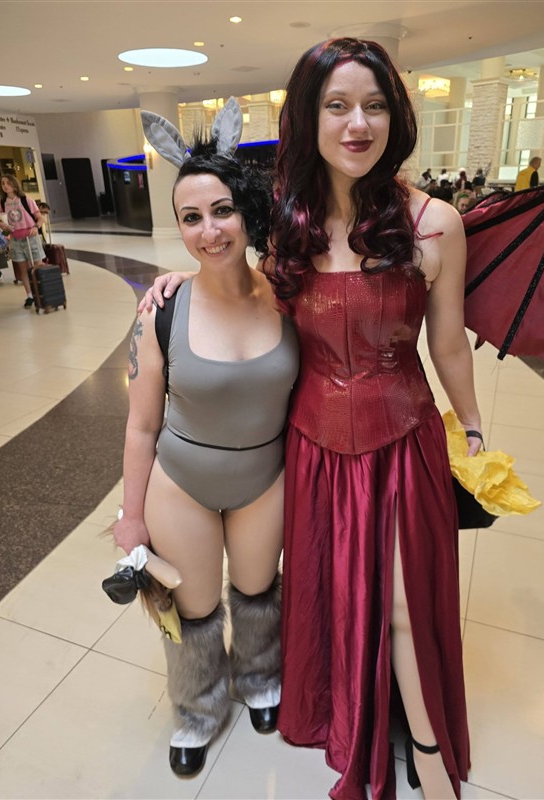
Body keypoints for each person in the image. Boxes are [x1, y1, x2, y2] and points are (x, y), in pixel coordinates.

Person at [142, 37, 483, 800]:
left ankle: (427, 745)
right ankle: (340, 705)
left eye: (374, 105)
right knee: (331, 588)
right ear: (308, 117)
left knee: (403, 599)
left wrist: (473, 428)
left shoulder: (435, 223)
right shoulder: (286, 224)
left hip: (402, 440)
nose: (358, 123)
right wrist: (180, 280)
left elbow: (449, 343)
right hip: (312, 446)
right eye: (337, 106)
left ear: (396, 116)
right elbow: (235, 278)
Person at [116, 107, 299, 779]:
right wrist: (131, 516)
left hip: (265, 477)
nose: (209, 230)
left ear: (246, 210)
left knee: (258, 592)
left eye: (222, 211)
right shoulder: (161, 310)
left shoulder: (291, 296)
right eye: (191, 218)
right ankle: (197, 708)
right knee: (192, 610)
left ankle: (259, 678)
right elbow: (140, 425)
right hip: (182, 483)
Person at [0, 175, 45, 306]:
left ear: (14, 183)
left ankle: (43, 293)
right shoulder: (1, 203)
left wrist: (36, 227)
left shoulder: (26, 200)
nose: (5, 186)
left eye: (8, 183)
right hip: (15, 240)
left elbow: (40, 218)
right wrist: (3, 226)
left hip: (31, 237)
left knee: (38, 266)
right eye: (3, 183)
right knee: (23, 270)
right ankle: (29, 296)